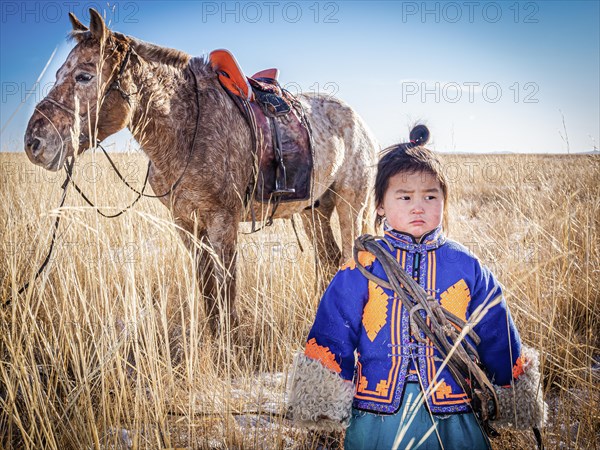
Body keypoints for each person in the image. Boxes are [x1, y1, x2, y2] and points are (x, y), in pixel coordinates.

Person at [288, 125, 546, 449]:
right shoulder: (362, 267)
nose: (418, 206)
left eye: (430, 196)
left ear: (444, 201)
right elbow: (332, 331)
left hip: (453, 412)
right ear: (380, 205)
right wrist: (322, 403)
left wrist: (514, 394)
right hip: (377, 416)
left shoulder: (466, 266)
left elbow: (497, 331)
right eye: (405, 196)